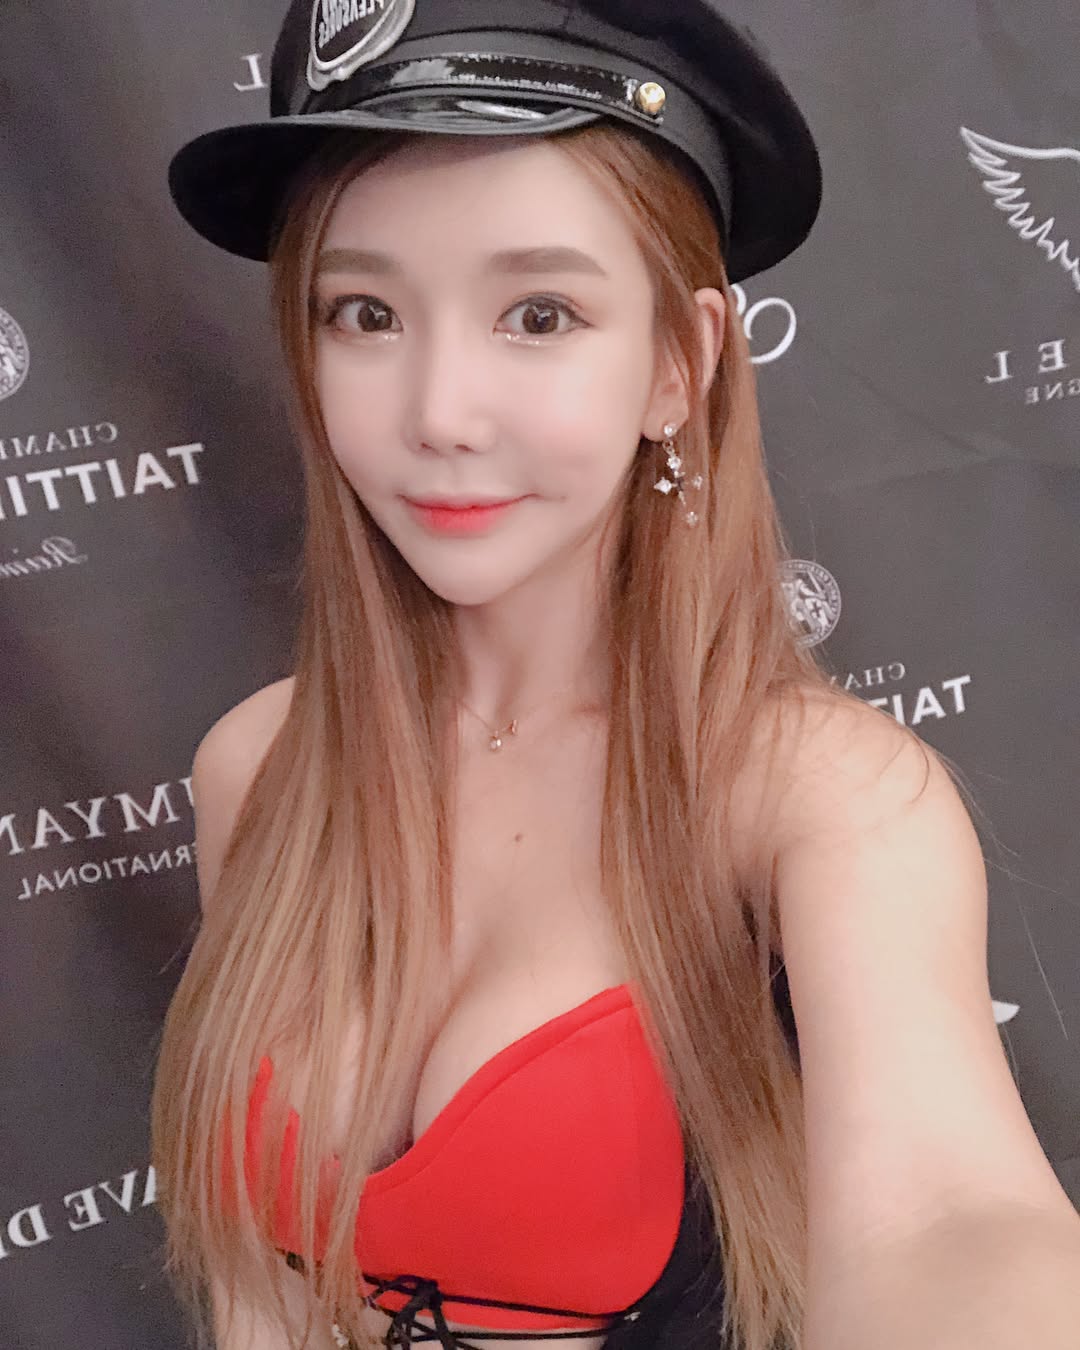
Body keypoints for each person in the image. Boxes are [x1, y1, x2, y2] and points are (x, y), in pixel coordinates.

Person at [150, 4, 1080, 1350]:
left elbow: (951, 1223)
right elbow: (262, 1296)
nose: (439, 412)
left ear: (677, 364)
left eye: (539, 314)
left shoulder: (820, 801)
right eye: (365, 313)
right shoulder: (255, 766)